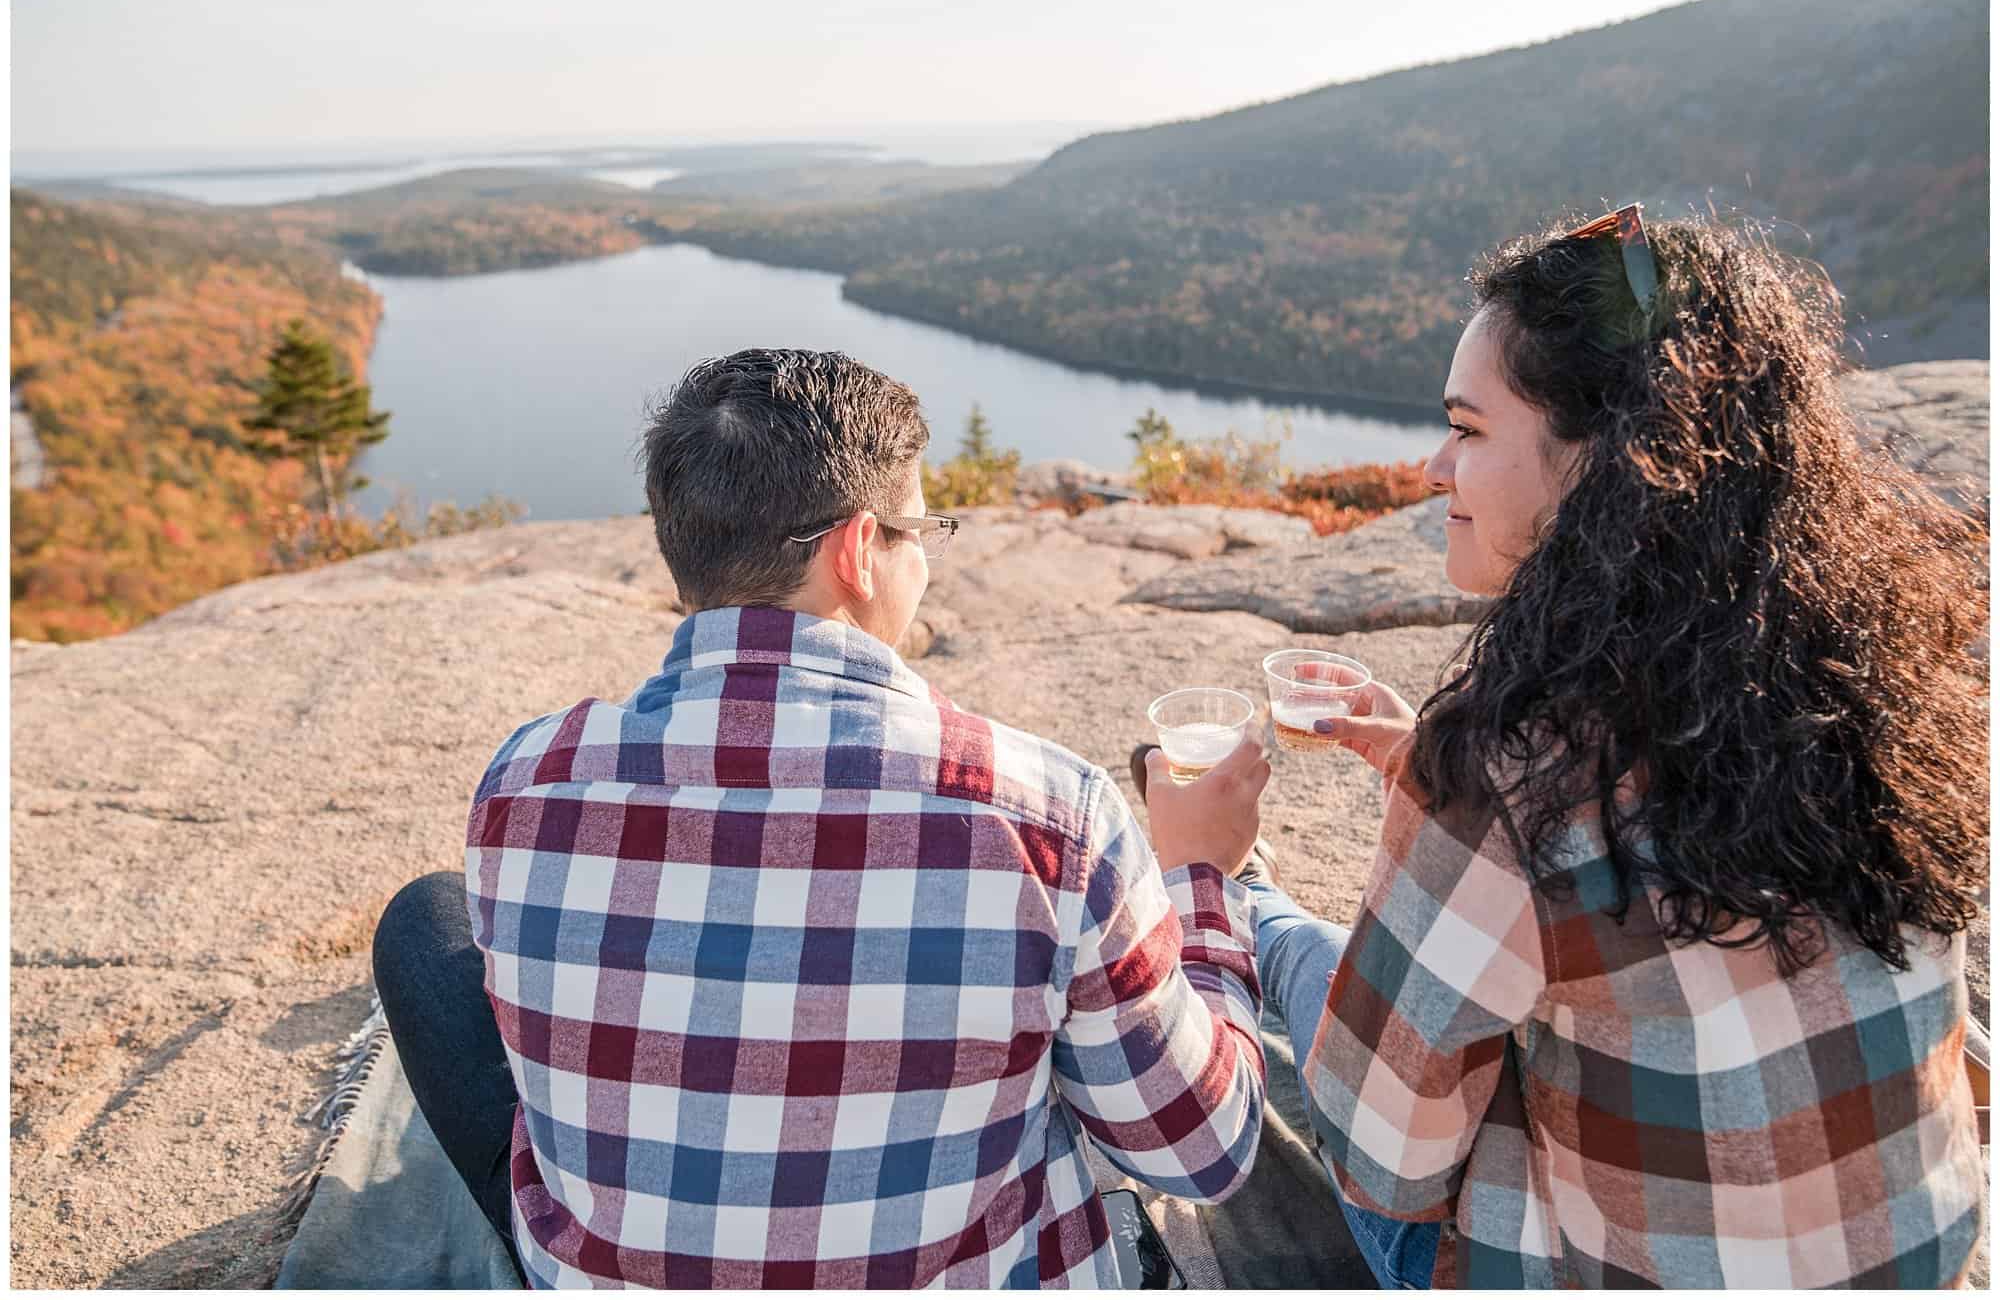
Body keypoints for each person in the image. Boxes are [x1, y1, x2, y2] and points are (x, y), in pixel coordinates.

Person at [372, 348, 1273, 1288]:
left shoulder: (526, 781)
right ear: (855, 551)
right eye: (920, 529)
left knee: (423, 921)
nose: (925, 554)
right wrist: (1204, 882)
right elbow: (1200, 1156)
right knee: (1053, 1024)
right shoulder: (1048, 814)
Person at [1225, 209, 1988, 1287]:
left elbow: (1379, 1160)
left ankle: (1230, 900)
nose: (1435, 465)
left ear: (1608, 463)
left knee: (1304, 968)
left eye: (1470, 428)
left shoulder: (1515, 766)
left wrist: (1447, 801)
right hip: (1922, 1263)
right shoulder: (1868, 680)